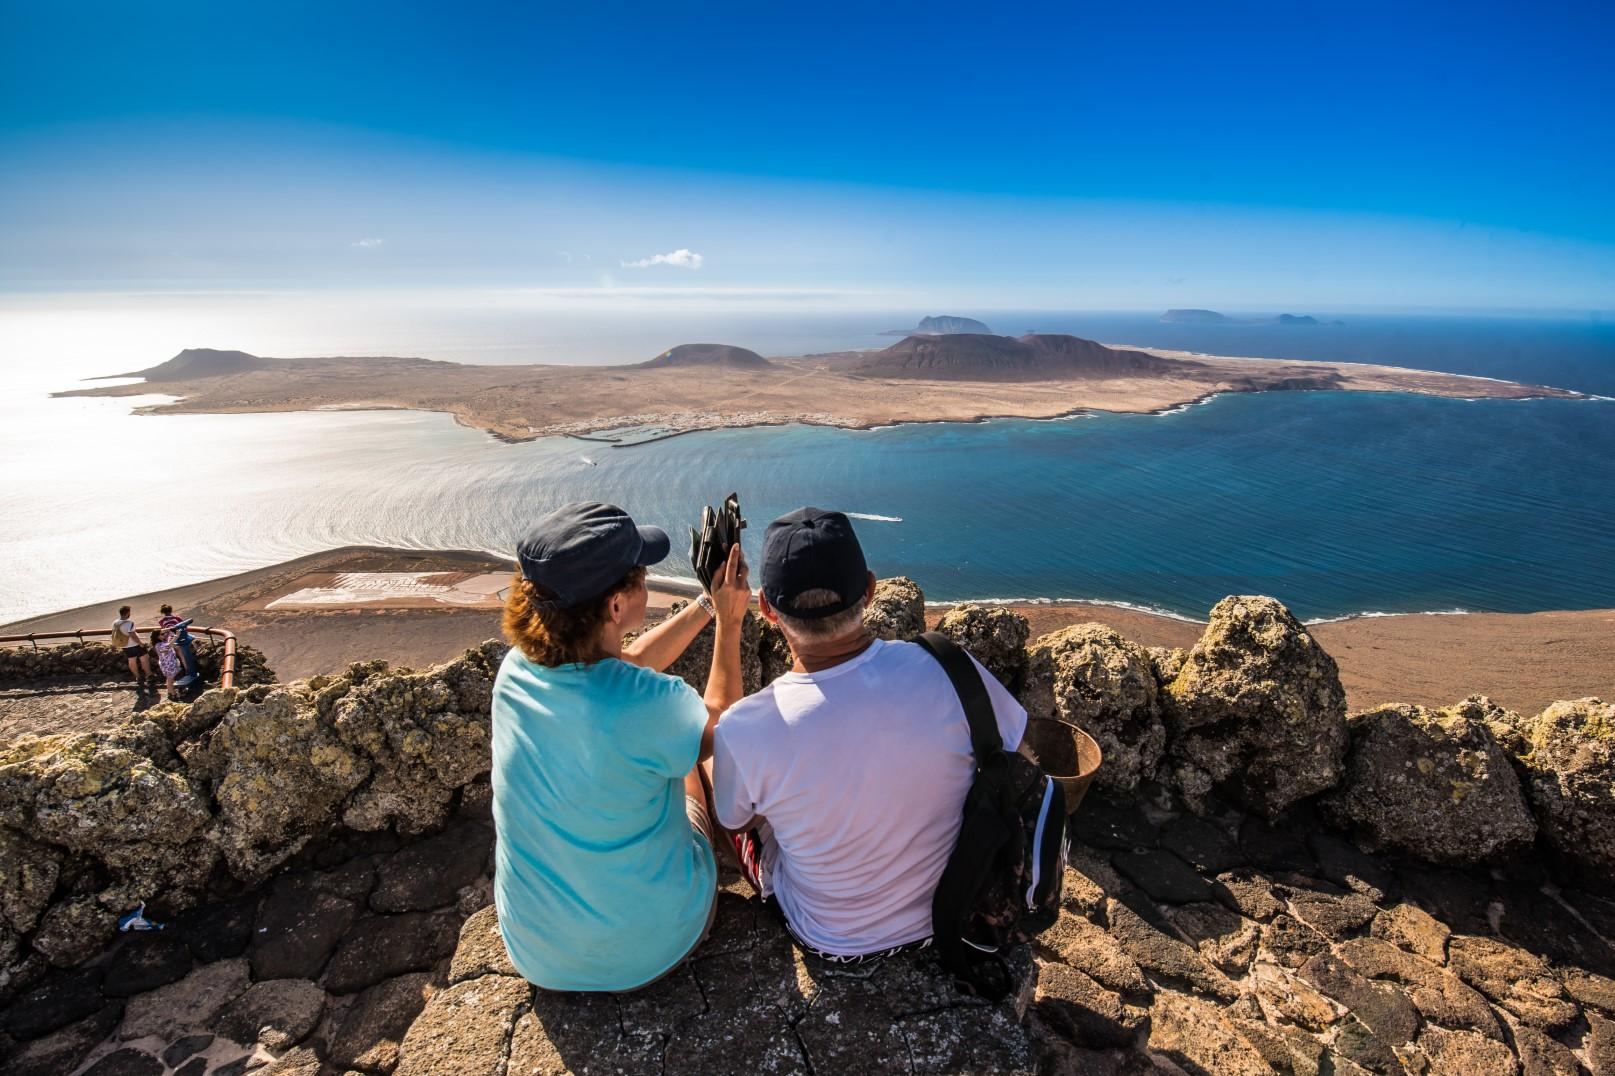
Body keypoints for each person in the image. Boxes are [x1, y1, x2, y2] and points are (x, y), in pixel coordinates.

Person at [711, 508, 1027, 963]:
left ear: (766, 608)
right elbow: (1011, 746)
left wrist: (727, 621)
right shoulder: (949, 666)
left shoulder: (745, 727)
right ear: (871, 590)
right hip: (952, 910)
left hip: (829, 936)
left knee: (711, 772)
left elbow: (736, 821)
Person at [490, 501, 752, 992]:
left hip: (538, 954)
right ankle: (740, 858)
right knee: (685, 763)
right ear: (616, 605)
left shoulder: (516, 673)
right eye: (641, 574)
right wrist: (731, 622)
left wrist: (706, 605)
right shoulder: (646, 705)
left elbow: (627, 659)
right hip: (650, 948)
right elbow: (724, 725)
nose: (647, 579)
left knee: (660, 749)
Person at [157, 604, 200, 687]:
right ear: (171, 610)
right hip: (179, 639)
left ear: (163, 612)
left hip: (171, 641)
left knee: (177, 656)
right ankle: (188, 671)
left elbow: (165, 631)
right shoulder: (177, 618)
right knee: (183, 656)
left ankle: (184, 672)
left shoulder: (161, 621)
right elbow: (184, 626)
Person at [112, 605, 151, 689]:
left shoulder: (115, 622)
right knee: (144, 658)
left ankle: (138, 677)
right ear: (127, 613)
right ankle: (149, 675)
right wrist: (141, 643)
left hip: (125, 645)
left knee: (131, 661)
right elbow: (133, 635)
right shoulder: (129, 623)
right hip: (134, 644)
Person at [150, 627, 182, 701]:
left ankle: (170, 692)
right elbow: (168, 647)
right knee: (170, 680)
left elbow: (170, 635)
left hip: (169, 663)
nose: (165, 635)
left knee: (170, 679)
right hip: (168, 665)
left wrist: (167, 630)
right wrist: (177, 636)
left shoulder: (163, 641)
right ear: (157, 636)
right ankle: (173, 694)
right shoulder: (158, 645)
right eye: (162, 634)